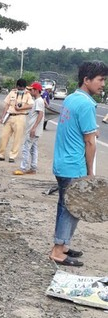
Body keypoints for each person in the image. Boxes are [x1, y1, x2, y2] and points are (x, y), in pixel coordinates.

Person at [49, 61, 108, 267]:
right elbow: (90, 142)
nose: (103, 84)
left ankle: (63, 245)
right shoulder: (87, 104)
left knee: (66, 205)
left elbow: (81, 130)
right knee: (72, 209)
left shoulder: (71, 99)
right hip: (74, 165)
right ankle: (58, 251)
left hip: (61, 162)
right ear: (87, 80)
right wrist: (90, 173)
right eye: (100, 80)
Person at [0, 78, 34, 163]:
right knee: (3, 136)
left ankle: (12, 156)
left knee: (17, 138)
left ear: (24, 87)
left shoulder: (27, 94)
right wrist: (3, 117)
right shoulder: (12, 92)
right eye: (19, 88)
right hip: (10, 116)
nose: (20, 90)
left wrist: (20, 108)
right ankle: (1, 155)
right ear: (17, 86)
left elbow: (31, 105)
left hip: (20, 117)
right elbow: (7, 105)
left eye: (22, 88)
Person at [13, 82, 45, 175]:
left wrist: (34, 128)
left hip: (33, 129)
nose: (30, 91)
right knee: (33, 148)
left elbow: (40, 114)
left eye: (31, 90)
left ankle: (23, 168)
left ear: (36, 90)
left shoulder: (39, 101)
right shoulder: (38, 101)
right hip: (34, 129)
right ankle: (33, 167)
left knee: (26, 148)